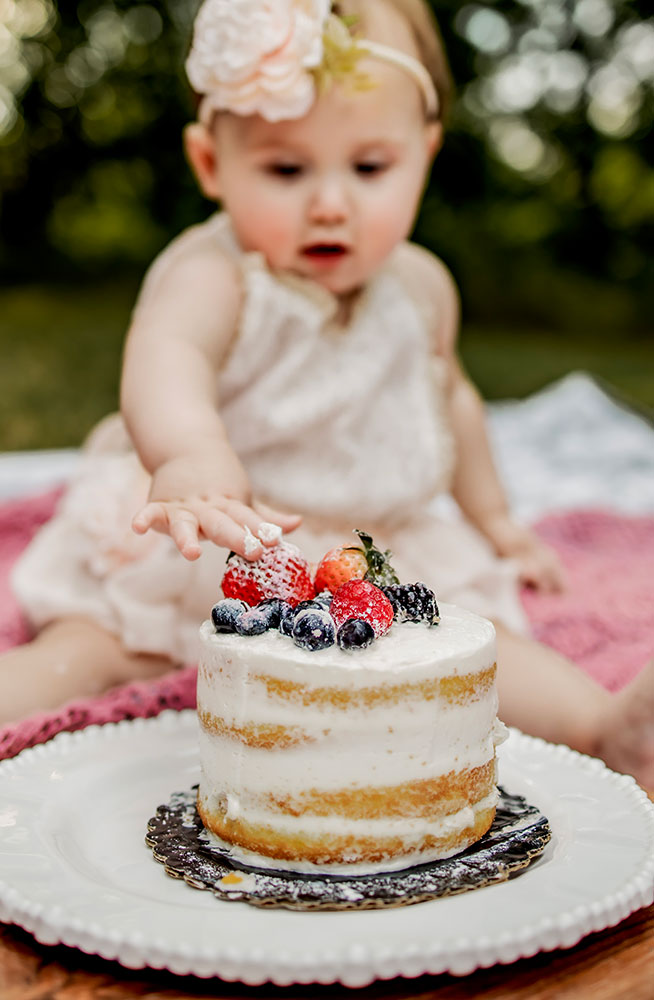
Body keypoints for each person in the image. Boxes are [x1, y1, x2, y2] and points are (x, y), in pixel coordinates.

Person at [4, 0, 653, 785]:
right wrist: (187, 458)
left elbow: (450, 401)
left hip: (370, 550)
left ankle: (603, 728)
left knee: (468, 648)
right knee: (97, 652)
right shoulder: (215, 274)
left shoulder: (421, 287)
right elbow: (166, 359)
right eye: (286, 169)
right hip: (227, 541)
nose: (331, 202)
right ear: (213, 165)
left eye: (370, 167)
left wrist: (496, 523)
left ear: (424, 154)